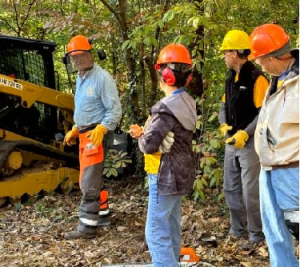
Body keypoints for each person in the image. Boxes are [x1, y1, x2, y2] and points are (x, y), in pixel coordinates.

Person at [129, 43, 197, 266]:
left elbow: (149, 145)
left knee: (156, 231)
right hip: (181, 171)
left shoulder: (165, 109)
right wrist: (145, 132)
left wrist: (141, 137)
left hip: (165, 174)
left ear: (165, 75)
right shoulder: (187, 102)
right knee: (171, 224)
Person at [249, 24, 299, 266]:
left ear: (271, 57)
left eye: (260, 60)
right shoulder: (277, 79)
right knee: (275, 234)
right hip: (269, 168)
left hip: (293, 169)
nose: (259, 64)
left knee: (297, 228)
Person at [63, 35, 122, 239]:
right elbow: (84, 108)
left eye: (80, 55)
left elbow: (115, 110)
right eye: (73, 57)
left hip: (96, 135)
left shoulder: (102, 78)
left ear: (91, 54)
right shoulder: (81, 78)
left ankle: (87, 228)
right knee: (92, 177)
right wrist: (76, 128)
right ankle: (103, 216)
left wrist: (103, 128)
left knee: (88, 181)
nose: (77, 60)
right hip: (85, 133)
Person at [218, 29, 269, 248]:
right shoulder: (230, 78)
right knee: (230, 188)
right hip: (231, 143)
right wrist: (223, 125)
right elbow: (223, 105)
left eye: (226, 51)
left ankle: (256, 233)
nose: (223, 56)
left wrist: (245, 133)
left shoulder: (257, 78)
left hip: (250, 145)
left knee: (250, 191)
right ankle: (237, 229)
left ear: (237, 52)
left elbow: (264, 113)